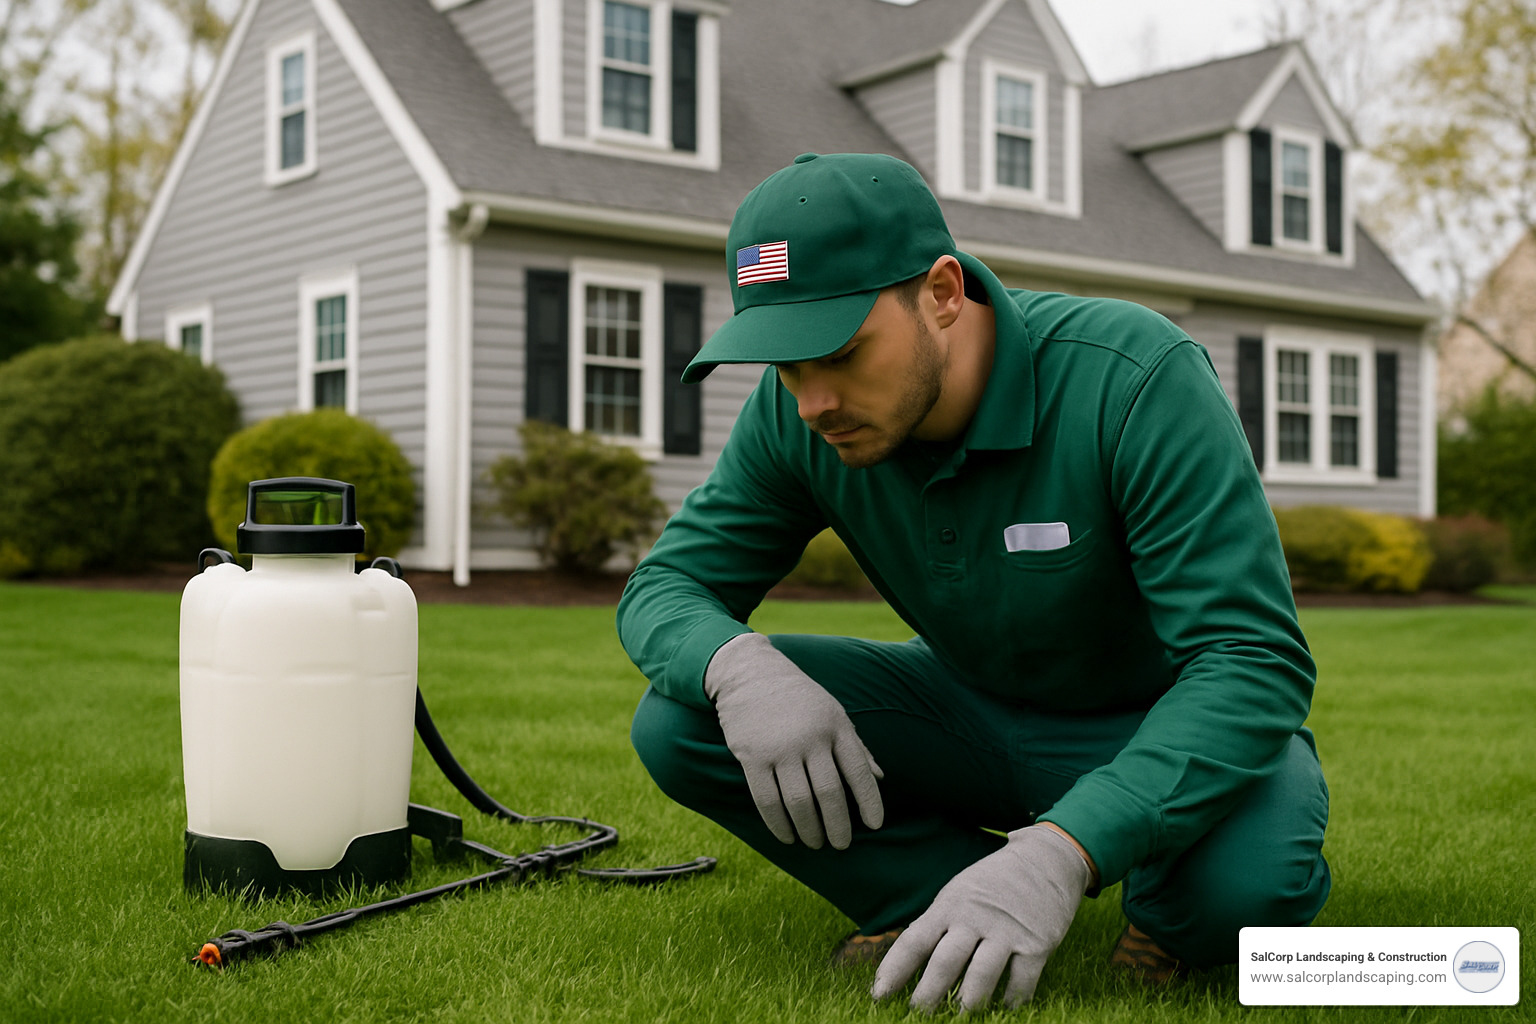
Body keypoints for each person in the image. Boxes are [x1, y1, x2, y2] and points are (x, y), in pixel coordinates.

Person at [616, 152, 1330, 1012]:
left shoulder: (1134, 376)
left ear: (943, 294)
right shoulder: (795, 415)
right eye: (784, 364)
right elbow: (665, 587)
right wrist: (737, 665)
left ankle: (1160, 922)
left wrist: (1063, 849)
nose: (812, 402)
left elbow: (1252, 660)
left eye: (837, 351)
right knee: (684, 717)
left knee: (1247, 895)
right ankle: (934, 893)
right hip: (961, 710)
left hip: (1149, 719)